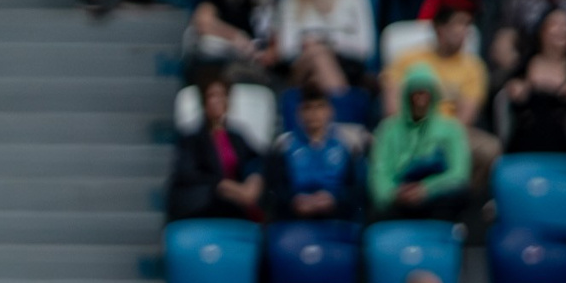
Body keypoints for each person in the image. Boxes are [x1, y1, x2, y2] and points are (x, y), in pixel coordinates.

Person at [380, 0, 498, 185]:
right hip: (408, 128)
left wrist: (436, 138)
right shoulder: (408, 59)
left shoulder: (474, 68)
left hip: (449, 132)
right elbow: (392, 109)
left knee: (489, 148)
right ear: (439, 28)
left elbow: (464, 120)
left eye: (467, 25)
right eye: (458, 24)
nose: (464, 31)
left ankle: (463, 205)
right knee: (383, 138)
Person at [368, 65, 469, 219]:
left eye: (424, 93)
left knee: (460, 197)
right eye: (415, 93)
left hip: (437, 199)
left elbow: (459, 173)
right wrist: (393, 194)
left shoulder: (451, 129)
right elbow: (379, 174)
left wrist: (426, 189)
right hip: (398, 199)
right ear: (407, 96)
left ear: (433, 96)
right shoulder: (388, 130)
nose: (420, 100)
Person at [167, 79, 266, 222]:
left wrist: (255, 179)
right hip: (206, 206)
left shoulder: (236, 137)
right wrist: (224, 186)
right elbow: (188, 173)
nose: (216, 101)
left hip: (238, 205)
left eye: (221, 95)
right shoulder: (191, 139)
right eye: (212, 96)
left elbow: (255, 160)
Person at [499, 10, 566, 157]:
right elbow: (503, 98)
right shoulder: (523, 67)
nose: (561, 30)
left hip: (564, 150)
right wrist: (516, 91)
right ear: (541, 31)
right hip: (523, 146)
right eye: (555, 24)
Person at [270, 0, 373, 95]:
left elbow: (365, 48)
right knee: (318, 56)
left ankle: (320, 107)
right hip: (300, 66)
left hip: (347, 66)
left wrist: (324, 43)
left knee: (318, 68)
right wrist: (314, 48)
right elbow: (286, 50)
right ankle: (341, 105)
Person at [274, 87, 360, 221]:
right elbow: (277, 190)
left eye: (319, 107)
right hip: (295, 218)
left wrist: (333, 199)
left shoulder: (344, 146)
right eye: (307, 108)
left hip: (335, 217)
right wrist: (294, 200)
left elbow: (354, 190)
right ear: (298, 113)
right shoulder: (285, 146)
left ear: (330, 111)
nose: (314, 113)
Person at [185, 0, 273, 78]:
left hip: (260, 62)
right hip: (230, 58)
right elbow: (203, 21)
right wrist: (236, 35)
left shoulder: (264, 0)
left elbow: (275, 39)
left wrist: (268, 54)